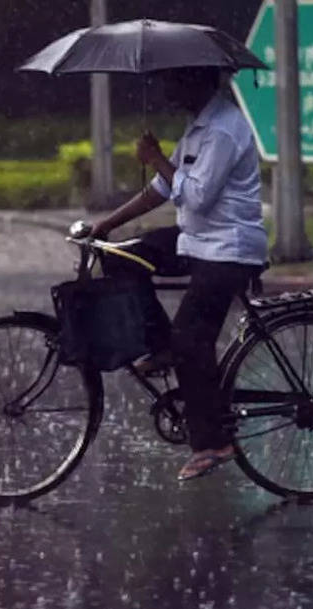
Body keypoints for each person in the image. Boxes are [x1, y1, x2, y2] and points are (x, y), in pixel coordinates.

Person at [88, 66, 268, 481]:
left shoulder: (224, 129)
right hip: (198, 240)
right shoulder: (199, 127)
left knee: (192, 338)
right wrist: (108, 225)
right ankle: (160, 344)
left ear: (198, 82)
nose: (167, 89)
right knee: (120, 256)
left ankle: (213, 442)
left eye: (174, 81)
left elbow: (198, 195)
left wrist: (156, 158)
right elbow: (164, 188)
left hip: (228, 248)